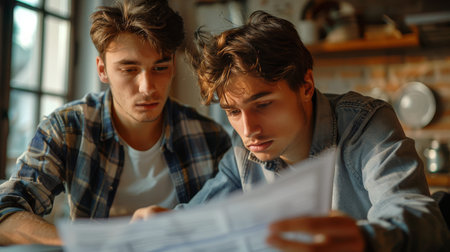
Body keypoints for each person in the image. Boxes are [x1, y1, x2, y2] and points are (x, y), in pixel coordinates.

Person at [141, 10, 450, 251]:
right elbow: (199, 217)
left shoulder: (364, 124)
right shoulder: (241, 153)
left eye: (263, 104)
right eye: (233, 112)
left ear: (306, 85)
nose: (249, 130)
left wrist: (363, 241)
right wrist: (166, 224)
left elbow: (419, 219)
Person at [0, 0, 231, 245]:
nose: (147, 88)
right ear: (102, 70)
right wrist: (86, 242)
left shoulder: (210, 137)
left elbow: (235, 223)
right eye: (129, 69)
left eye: (160, 67)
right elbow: (6, 211)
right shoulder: (68, 127)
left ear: (173, 66)